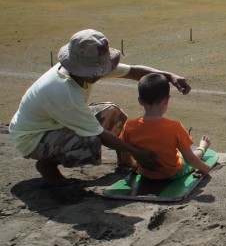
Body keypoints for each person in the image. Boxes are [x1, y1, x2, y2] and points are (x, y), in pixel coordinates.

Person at [9, 29, 192, 185]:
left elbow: (134, 71)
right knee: (89, 144)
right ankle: (47, 164)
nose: (100, 74)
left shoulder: (80, 69)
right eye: (96, 72)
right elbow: (99, 134)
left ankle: (124, 161)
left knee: (113, 112)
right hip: (33, 137)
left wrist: (170, 76)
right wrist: (138, 153)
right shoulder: (63, 91)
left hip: (56, 121)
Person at [119, 73, 212, 179]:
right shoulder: (175, 127)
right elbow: (190, 160)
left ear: (140, 101)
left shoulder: (129, 126)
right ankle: (203, 147)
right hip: (172, 174)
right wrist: (206, 168)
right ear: (167, 100)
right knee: (190, 155)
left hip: (145, 174)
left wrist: (136, 166)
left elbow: (125, 155)